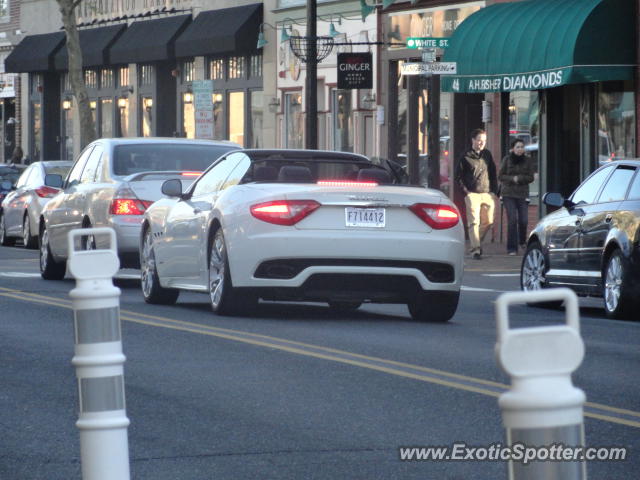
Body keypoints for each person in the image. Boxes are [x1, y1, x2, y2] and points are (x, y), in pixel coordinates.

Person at [455, 128, 498, 260]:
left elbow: (493, 173)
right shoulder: (465, 156)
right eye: (479, 140)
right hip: (472, 193)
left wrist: (494, 192)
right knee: (474, 222)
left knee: (489, 222)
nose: (481, 143)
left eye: (484, 141)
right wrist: (466, 191)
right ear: (473, 140)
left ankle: (476, 243)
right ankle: (476, 250)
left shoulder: (487, 155)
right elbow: (458, 176)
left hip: (487, 193)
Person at [499, 138, 535, 255]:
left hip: (522, 194)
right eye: (518, 147)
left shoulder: (528, 161)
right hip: (508, 193)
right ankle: (512, 248)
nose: (520, 149)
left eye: (522, 147)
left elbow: (531, 177)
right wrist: (511, 179)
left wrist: (519, 179)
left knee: (524, 220)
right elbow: (500, 176)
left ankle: (522, 241)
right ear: (512, 149)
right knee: (512, 220)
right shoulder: (507, 159)